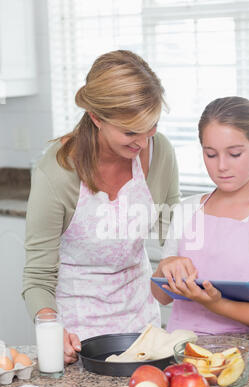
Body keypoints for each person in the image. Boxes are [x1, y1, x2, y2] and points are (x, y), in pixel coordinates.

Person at [22, 50, 180, 364]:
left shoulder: (158, 150)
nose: (144, 141)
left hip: (142, 328)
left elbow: (173, 230)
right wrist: (50, 326)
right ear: (97, 118)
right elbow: (37, 275)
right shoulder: (57, 173)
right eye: (131, 132)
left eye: (151, 126)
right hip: (79, 337)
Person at [151, 96, 249, 334]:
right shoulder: (185, 211)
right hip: (181, 354)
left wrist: (217, 304)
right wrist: (165, 267)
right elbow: (161, 296)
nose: (221, 166)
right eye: (211, 154)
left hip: (245, 357)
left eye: (234, 154)